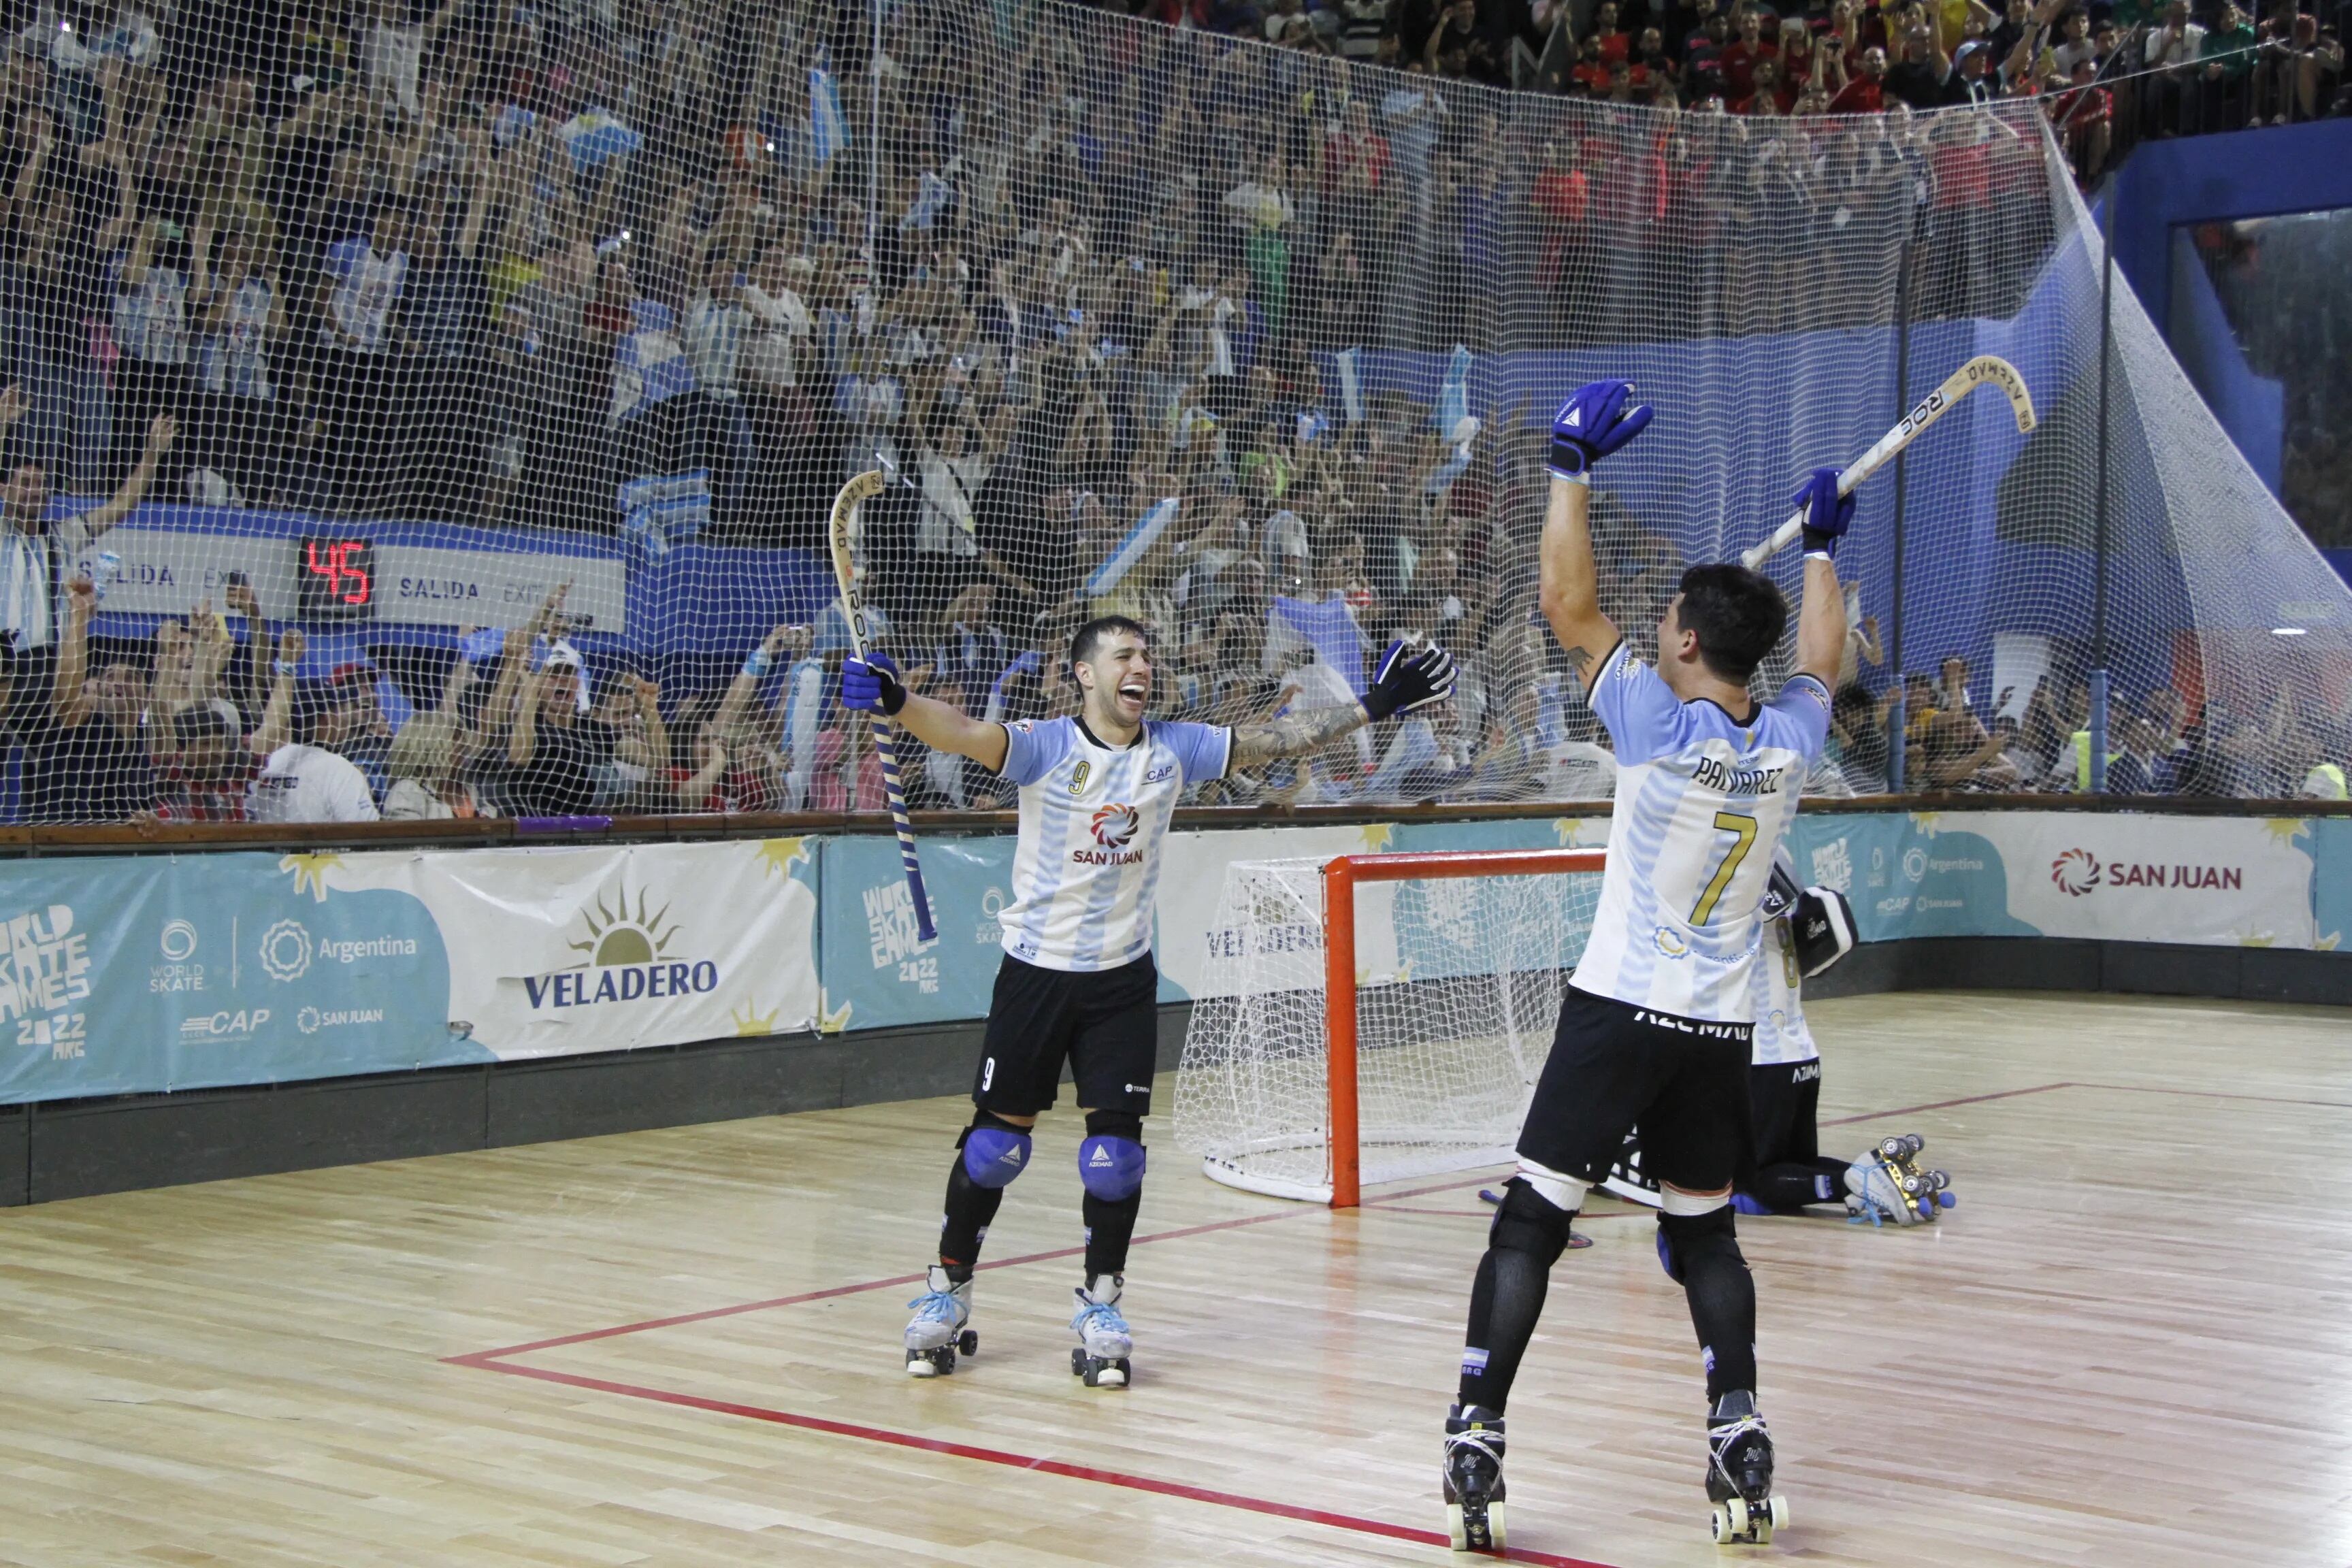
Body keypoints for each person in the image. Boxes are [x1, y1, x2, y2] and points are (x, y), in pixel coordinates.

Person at [1437, 380, 1844, 1553]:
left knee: (1528, 1226)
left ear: (1678, 641)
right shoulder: (1788, 745)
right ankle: (1736, 1420)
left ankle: (1478, 1425)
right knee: (1703, 1236)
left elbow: (1566, 600)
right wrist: (1822, 552)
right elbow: (1819, 660)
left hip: (1619, 1011)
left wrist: (1568, 461)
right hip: (1721, 1031)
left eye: (1664, 619)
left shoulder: (1656, 726)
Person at [841, 613, 1456, 1387]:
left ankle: (1101, 1302)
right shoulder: (1047, 745)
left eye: (1149, 656)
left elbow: (1278, 742)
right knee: (994, 1148)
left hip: (1121, 980)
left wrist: (1373, 704)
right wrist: (899, 702)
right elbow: (963, 733)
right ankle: (947, 1290)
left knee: (1116, 1160)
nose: (1143, 667)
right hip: (1036, 974)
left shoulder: (1175, 747)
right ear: (1085, 674)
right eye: (1124, 655)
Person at [1596, 847, 1955, 1224]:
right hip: (1799, 1053)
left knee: (1750, 1184)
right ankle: (1881, 1176)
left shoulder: (1725, 861)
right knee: (1796, 1165)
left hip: (1758, 1058)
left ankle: (1857, 1182)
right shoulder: (1774, 850)